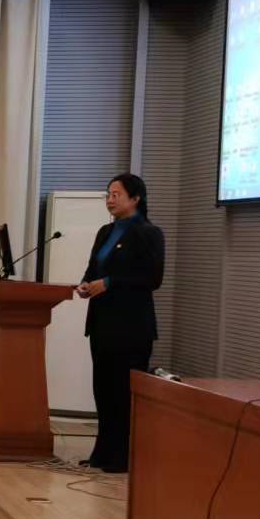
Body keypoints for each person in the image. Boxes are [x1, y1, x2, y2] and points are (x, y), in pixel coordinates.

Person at [77, 173, 165, 474]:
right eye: (108, 194)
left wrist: (109, 283)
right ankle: (102, 453)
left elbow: (152, 278)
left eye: (117, 194)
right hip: (102, 322)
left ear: (135, 198)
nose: (110, 199)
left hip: (131, 326)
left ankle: (122, 457)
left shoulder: (148, 233)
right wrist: (86, 284)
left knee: (122, 393)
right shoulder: (105, 231)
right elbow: (93, 268)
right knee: (102, 390)